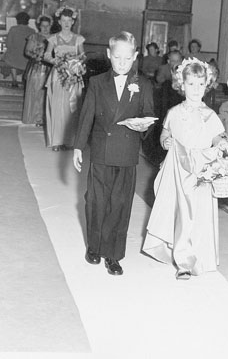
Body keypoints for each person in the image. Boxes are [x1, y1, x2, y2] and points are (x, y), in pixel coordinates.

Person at [73, 31, 155, 276]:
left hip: (127, 154)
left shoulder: (143, 85)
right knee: (96, 201)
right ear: (109, 55)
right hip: (101, 151)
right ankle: (94, 246)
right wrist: (78, 146)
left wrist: (143, 126)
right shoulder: (97, 83)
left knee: (120, 204)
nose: (122, 63)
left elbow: (149, 117)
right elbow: (87, 115)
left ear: (135, 57)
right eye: (117, 57)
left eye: (127, 58)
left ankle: (113, 254)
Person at [142, 58, 228, 280]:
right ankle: (183, 262)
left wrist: (221, 142)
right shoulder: (174, 112)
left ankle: (197, 254)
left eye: (200, 84)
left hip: (200, 168)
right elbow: (165, 133)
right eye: (191, 84)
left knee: (197, 213)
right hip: (178, 169)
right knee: (180, 212)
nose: (196, 89)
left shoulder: (210, 114)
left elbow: (217, 134)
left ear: (206, 85)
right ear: (182, 85)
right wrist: (165, 141)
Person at [44, 6, 86, 151]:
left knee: (71, 108)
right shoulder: (53, 38)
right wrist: (58, 62)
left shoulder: (78, 39)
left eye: (69, 20)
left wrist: (77, 63)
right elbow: (47, 55)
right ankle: (56, 141)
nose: (67, 23)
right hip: (58, 74)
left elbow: (83, 55)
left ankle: (70, 141)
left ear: (73, 22)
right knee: (57, 106)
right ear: (59, 22)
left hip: (73, 75)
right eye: (64, 20)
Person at [22, 15, 53, 126]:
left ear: (51, 26)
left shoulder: (54, 38)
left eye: (47, 26)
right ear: (39, 26)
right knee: (34, 93)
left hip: (50, 68)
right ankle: (33, 118)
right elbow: (27, 51)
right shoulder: (34, 37)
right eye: (42, 26)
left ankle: (43, 119)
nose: (45, 28)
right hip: (36, 68)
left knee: (46, 95)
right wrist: (36, 56)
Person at [2, 12, 35, 87]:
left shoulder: (13, 29)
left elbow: (8, 44)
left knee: (10, 58)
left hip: (13, 58)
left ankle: (14, 80)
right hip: (26, 59)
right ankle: (24, 81)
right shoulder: (32, 31)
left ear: (17, 20)